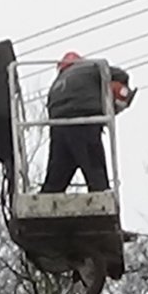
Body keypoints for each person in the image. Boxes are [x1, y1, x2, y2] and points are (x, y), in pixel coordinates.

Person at [41, 51, 134, 194]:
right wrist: (124, 92)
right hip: (84, 123)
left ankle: (45, 197)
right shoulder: (91, 67)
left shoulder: (55, 85)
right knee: (96, 176)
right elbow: (120, 75)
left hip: (58, 128)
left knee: (55, 180)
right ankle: (101, 194)